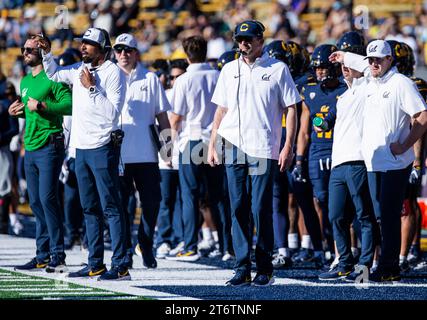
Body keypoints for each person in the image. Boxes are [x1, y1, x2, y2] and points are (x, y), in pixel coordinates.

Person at [208, 20, 299, 286]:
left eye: (248, 39)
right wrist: (213, 143)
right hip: (233, 144)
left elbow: (292, 107)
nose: (243, 44)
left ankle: (264, 266)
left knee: (260, 208)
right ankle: (241, 267)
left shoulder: (278, 68)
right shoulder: (229, 70)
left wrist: (288, 145)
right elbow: (221, 110)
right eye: (239, 40)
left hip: (263, 146)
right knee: (237, 207)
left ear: (261, 40)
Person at [330, 39, 427, 282]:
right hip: (372, 163)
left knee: (388, 214)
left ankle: (390, 266)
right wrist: (343, 56)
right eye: (371, 59)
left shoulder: (401, 83)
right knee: (376, 215)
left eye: (379, 59)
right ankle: (380, 263)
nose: (373, 64)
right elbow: (361, 66)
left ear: (389, 60)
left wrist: (405, 145)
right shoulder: (368, 84)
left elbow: (422, 116)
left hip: (395, 163)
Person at [39, 28, 130, 281]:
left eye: (89, 44)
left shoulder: (114, 73)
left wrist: (91, 89)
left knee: (111, 207)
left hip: (102, 147)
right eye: (83, 43)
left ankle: (121, 265)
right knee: (89, 208)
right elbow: (55, 74)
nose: (83, 47)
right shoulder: (79, 68)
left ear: (103, 49)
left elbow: (113, 114)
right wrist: (47, 53)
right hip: (81, 147)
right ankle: (96, 264)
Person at [317, 32, 377, 281]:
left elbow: (368, 67)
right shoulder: (344, 97)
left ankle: (364, 266)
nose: (343, 69)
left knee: (364, 215)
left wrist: (347, 56)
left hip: (358, 160)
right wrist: (321, 122)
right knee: (335, 216)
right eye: (341, 66)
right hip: (339, 162)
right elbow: (324, 123)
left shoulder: (367, 87)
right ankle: (343, 261)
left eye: (347, 65)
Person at [9, 34, 72, 273]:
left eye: (29, 50)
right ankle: (42, 254)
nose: (25, 53)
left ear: (42, 51)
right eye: (23, 50)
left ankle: (58, 253)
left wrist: (43, 106)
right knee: (35, 202)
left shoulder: (54, 76)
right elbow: (32, 111)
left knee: (47, 198)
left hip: (50, 144)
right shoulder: (25, 81)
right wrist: (20, 112)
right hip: (31, 146)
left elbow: (70, 105)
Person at [167, 35, 229, 262]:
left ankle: (190, 246)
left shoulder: (183, 80)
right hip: (215, 139)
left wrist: (168, 149)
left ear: (186, 55)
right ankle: (226, 246)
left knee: (190, 196)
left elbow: (175, 119)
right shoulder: (218, 75)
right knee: (218, 196)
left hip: (191, 140)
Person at [113, 33, 171, 269]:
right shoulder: (108, 76)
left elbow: (162, 117)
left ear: (136, 52)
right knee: (121, 205)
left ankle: (145, 243)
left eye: (128, 50)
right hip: (118, 154)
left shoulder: (150, 78)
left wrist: (168, 148)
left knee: (152, 202)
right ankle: (125, 250)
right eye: (119, 50)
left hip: (147, 153)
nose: (123, 54)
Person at [294, 44, 347, 265]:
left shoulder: (346, 89)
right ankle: (324, 246)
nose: (319, 72)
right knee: (320, 200)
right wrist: (299, 160)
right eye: (316, 68)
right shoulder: (310, 91)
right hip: (317, 150)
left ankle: (344, 249)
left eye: (324, 67)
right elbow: (305, 131)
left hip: (340, 148)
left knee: (342, 204)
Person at [155, 59, 188, 259]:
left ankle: (182, 238)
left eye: (179, 77)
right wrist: (164, 152)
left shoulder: (192, 94)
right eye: (173, 77)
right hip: (166, 157)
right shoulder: (165, 96)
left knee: (184, 201)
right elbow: (158, 126)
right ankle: (164, 239)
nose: (175, 81)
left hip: (186, 154)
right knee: (166, 201)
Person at [0, 79, 19, 234]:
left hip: (4, 148)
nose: (9, 97)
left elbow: (14, 129)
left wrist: (1, 137)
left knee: (5, 185)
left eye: (11, 94)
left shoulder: (8, 107)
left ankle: (4, 222)